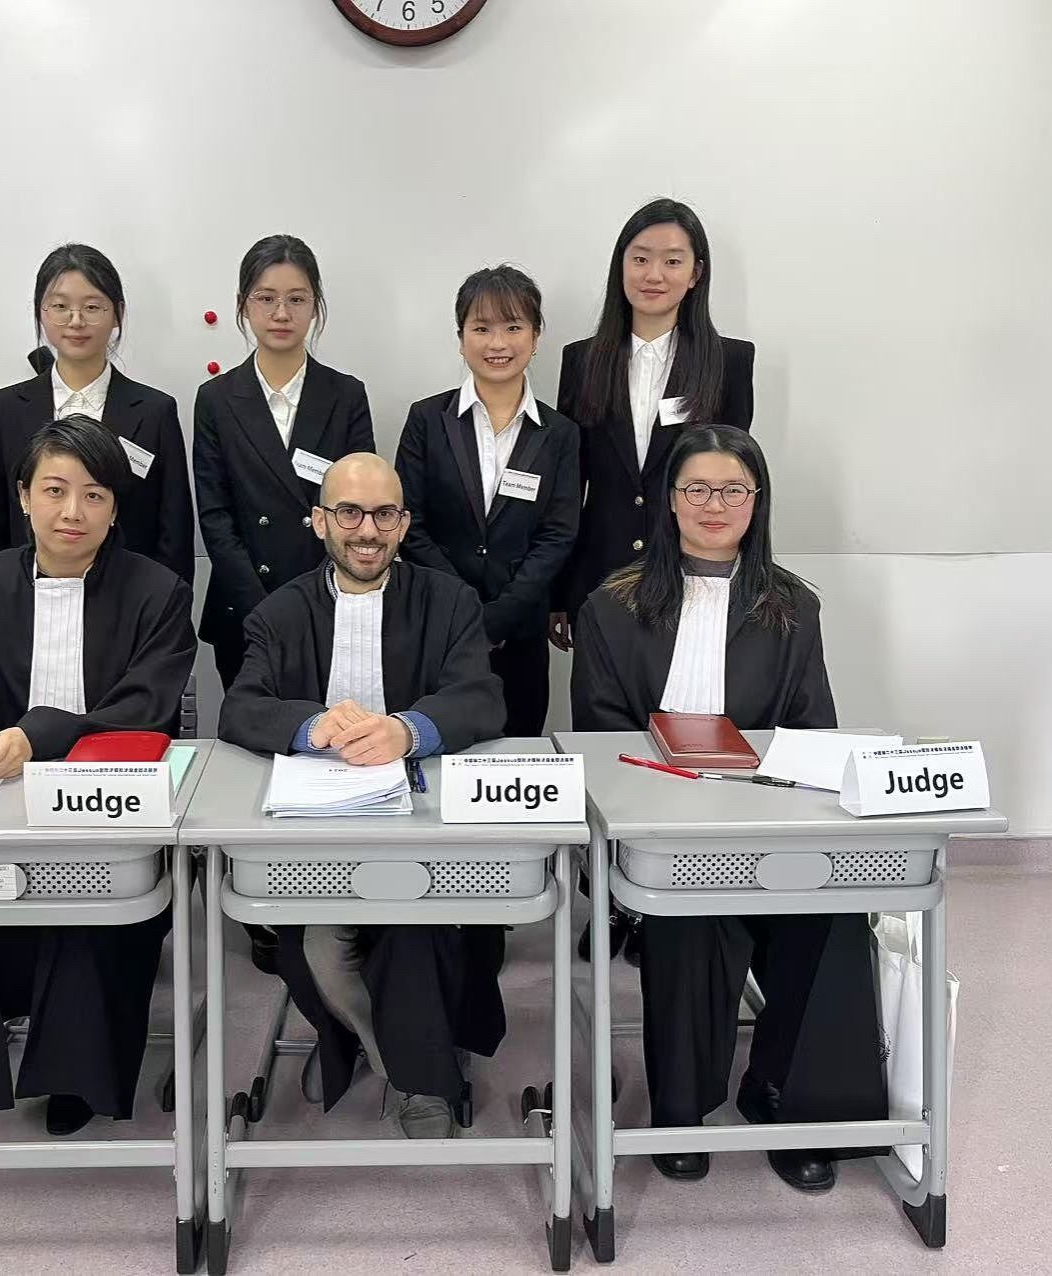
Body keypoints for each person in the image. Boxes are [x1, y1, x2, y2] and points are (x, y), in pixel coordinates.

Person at [570, 425, 884, 1193]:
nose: (715, 505)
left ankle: (790, 1102)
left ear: (757, 501)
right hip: (659, 828)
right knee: (687, 911)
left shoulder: (793, 606)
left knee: (838, 912)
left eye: (733, 490)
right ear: (670, 501)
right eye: (697, 489)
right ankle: (681, 1112)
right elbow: (599, 736)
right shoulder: (611, 605)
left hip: (763, 820)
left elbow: (814, 731)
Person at [0, 417, 197, 1137]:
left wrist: (36, 736)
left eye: (95, 495)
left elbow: (146, 709)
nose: (73, 512)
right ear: (23, 496)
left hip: (112, 815)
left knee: (90, 922)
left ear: (116, 507)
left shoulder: (157, 593)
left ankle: (76, 1080)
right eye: (55, 491)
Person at [219, 453, 506, 1140]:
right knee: (315, 950)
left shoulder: (450, 601)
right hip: (314, 832)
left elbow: (481, 697)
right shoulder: (278, 613)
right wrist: (309, 725)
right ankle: (379, 1048)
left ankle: (417, 1078)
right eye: (349, 512)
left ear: (404, 524)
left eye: (384, 514)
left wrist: (409, 730)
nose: (367, 530)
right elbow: (240, 708)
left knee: (413, 931)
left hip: (423, 828)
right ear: (319, 521)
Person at [554, 197, 756, 964]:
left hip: (689, 574)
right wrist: (561, 591)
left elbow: (730, 477)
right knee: (604, 737)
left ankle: (673, 888)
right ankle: (608, 896)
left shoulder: (729, 361)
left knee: (679, 722)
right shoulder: (583, 359)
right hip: (601, 579)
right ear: (621, 267)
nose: (655, 273)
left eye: (673, 260)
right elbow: (569, 483)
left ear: (697, 273)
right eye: (640, 258)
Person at [394, 265, 579, 736]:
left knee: (517, 750)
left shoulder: (560, 433)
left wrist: (499, 618)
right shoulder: (426, 420)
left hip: (521, 633)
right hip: (436, 626)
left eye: (513, 327)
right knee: (432, 746)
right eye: (481, 328)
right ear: (461, 338)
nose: (498, 343)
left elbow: (557, 535)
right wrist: (464, 610)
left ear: (535, 337)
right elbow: (409, 523)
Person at [193, 234, 375, 689]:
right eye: (266, 298)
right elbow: (215, 517)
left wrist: (318, 598)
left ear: (315, 306)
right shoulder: (216, 399)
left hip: (330, 600)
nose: (281, 313)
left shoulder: (346, 395)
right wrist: (263, 608)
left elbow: (360, 509)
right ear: (243, 304)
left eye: (296, 299)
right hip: (243, 604)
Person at [0, 243, 194, 583]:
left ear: (118, 313)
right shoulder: (7, 408)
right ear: (41, 312)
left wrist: (166, 605)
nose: (76, 321)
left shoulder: (155, 411)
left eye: (92, 307)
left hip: (129, 597)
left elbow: (174, 533)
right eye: (60, 307)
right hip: (27, 594)